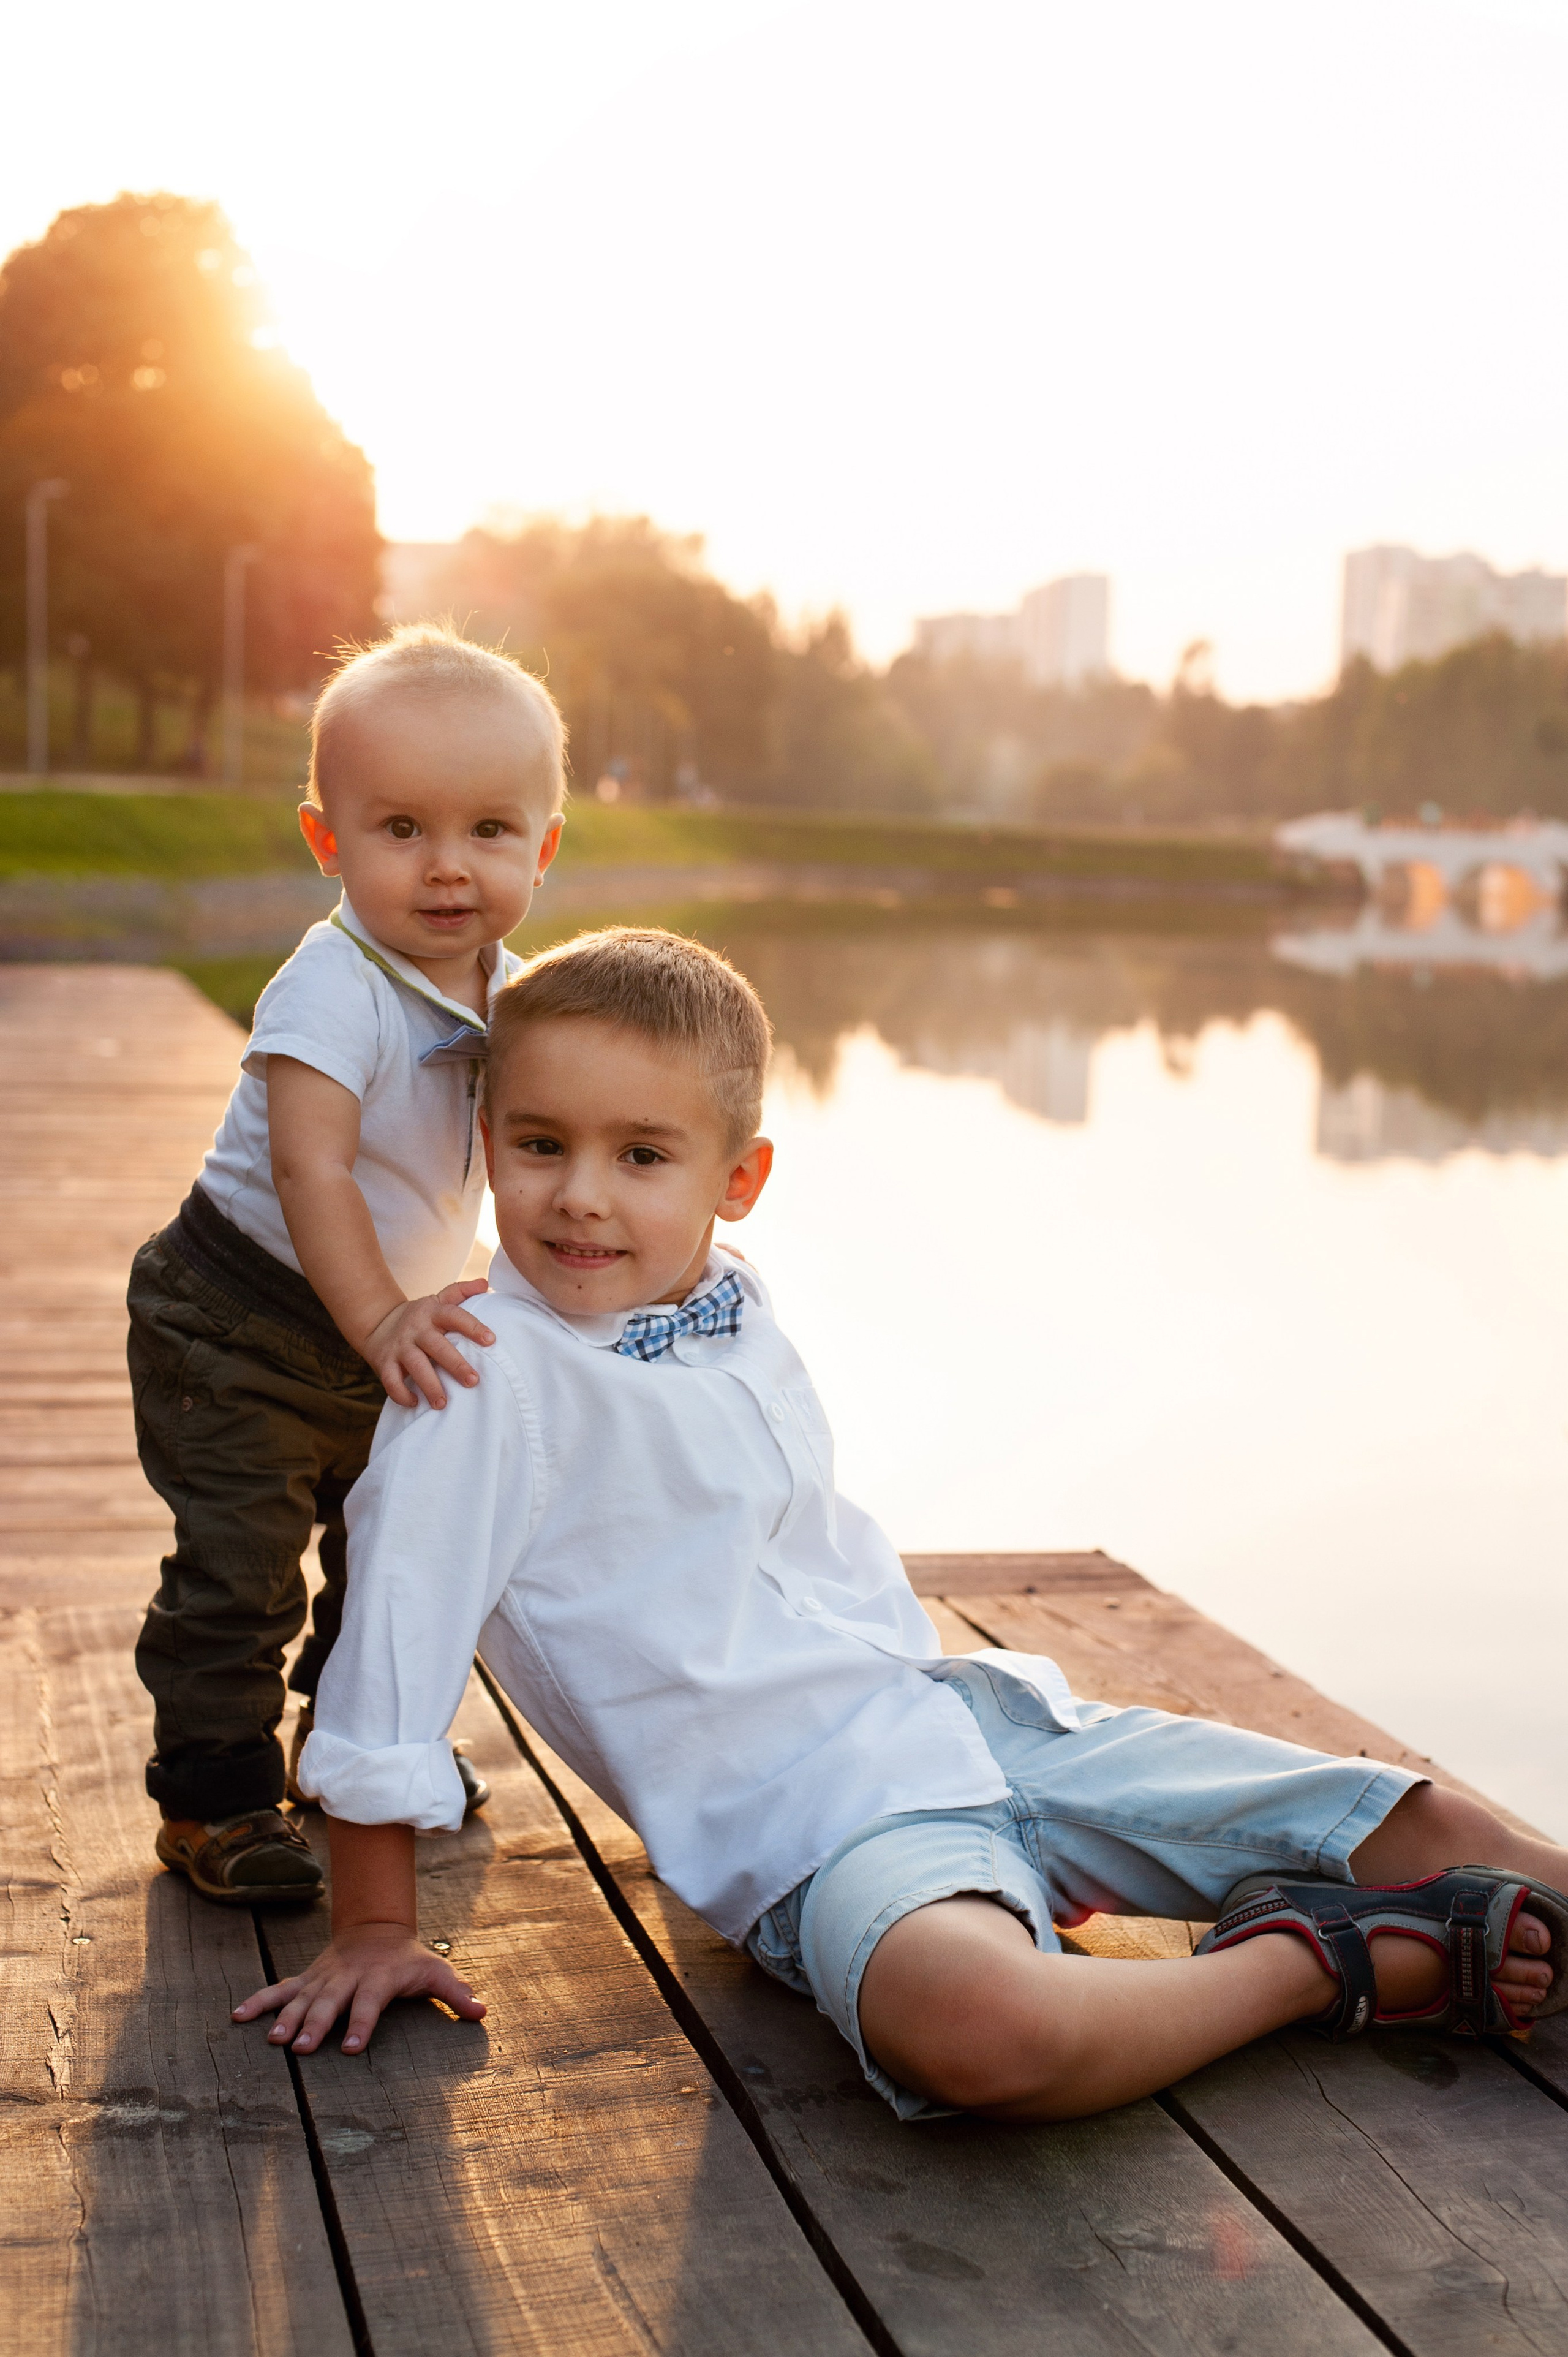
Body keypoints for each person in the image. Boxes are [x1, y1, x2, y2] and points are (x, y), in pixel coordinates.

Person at [235, 928, 1568, 2121]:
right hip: (821, 1829)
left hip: (978, 1721)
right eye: (540, 1145)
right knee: (989, 2031)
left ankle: (1340, 1896)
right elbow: (391, 1649)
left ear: (737, 1179)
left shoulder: (730, 1298)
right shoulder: (478, 1380)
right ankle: (1311, 1960)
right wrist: (372, 1925)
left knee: (1464, 1840)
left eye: (641, 1154)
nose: (582, 1194)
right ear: (486, 1146)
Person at [130, 624, 565, 1905]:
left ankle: (353, 1754)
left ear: (542, 847)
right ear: (328, 841)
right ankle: (214, 1797)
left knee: (394, 1549)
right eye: (401, 830)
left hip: (385, 1324)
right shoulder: (334, 985)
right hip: (239, 1315)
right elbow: (316, 1170)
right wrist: (377, 1315)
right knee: (241, 1566)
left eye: (488, 831)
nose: (447, 868)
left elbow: (538, 1146)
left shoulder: (521, 996)